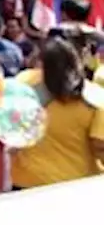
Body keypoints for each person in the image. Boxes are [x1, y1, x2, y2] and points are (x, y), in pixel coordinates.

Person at [10, 38, 104, 189]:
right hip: (77, 186)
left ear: (42, 62)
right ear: (78, 62)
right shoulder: (96, 97)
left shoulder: (24, 82)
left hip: (26, 182)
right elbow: (100, 146)